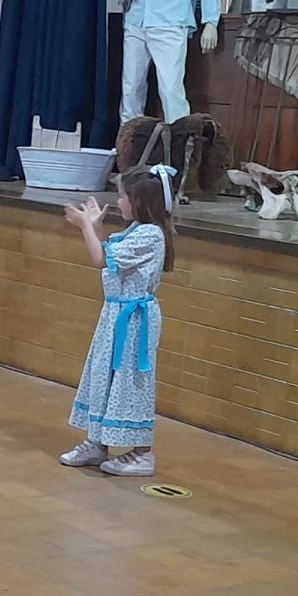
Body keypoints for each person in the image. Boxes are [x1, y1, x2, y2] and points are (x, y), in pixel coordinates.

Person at [59, 164, 175, 477]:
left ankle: (141, 454)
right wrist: (94, 229)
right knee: (103, 375)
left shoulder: (151, 234)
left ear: (140, 201)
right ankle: (97, 442)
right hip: (114, 315)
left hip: (134, 320)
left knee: (130, 380)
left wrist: (84, 225)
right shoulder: (134, 230)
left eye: (123, 197)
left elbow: (99, 258)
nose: (119, 202)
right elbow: (108, 253)